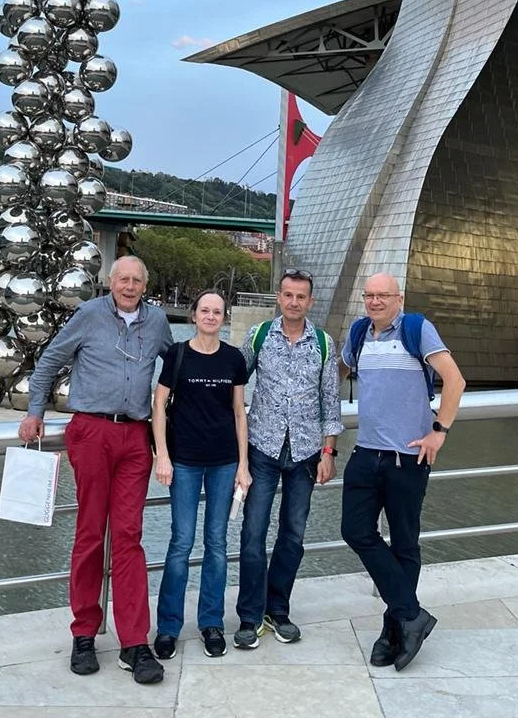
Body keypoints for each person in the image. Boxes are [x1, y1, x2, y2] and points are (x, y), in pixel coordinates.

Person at [19, 256, 173, 686]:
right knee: (89, 534)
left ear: (145, 284)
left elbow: (178, 364)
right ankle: (84, 633)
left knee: (129, 538)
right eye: (122, 279)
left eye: (137, 280)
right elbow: (49, 362)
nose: (129, 285)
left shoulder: (157, 322)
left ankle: (134, 642)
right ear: (110, 282)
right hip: (91, 432)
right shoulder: (88, 315)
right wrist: (35, 411)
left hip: (136, 439)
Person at [338, 272, 466, 672]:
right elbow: (336, 375)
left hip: (408, 458)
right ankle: (410, 614)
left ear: (399, 298)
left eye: (383, 295)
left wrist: (438, 432)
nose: (375, 301)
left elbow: (455, 380)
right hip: (365, 453)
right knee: (354, 530)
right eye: (370, 295)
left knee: (405, 543)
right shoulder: (359, 334)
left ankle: (393, 628)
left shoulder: (416, 329)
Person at [234, 268, 343, 649]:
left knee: (293, 535)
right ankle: (249, 615)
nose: (294, 302)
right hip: (261, 448)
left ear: (310, 301)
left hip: (306, 452)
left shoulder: (325, 344)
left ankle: (277, 610)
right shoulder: (259, 336)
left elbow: (331, 403)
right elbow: (235, 382)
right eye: (288, 295)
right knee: (252, 534)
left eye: (301, 296)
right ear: (278, 297)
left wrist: (328, 452)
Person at [152, 290, 251, 661]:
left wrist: (243, 465)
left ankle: (211, 623)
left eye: (217, 312)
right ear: (194, 315)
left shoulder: (233, 359)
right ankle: (168, 627)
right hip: (185, 462)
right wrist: (163, 455)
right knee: (181, 543)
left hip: (225, 461)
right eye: (205, 310)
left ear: (224, 318)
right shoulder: (177, 355)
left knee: (217, 544)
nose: (210, 316)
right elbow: (159, 404)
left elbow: (240, 412)